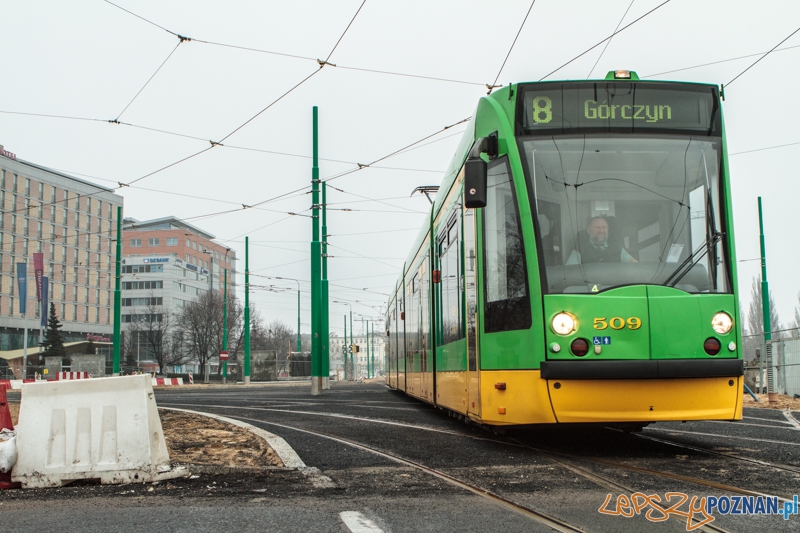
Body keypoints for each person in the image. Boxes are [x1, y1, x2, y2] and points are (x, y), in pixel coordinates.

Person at [566, 216, 637, 264]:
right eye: (597, 227)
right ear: (588, 230)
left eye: (604, 227)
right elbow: (570, 273)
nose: (601, 230)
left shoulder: (617, 248)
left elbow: (634, 265)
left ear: (608, 230)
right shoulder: (578, 250)